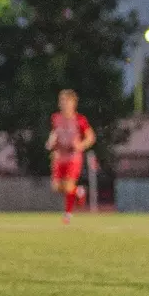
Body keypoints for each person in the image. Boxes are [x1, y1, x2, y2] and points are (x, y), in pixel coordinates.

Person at [46, 89, 96, 223]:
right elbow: (54, 133)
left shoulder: (80, 120)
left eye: (67, 102)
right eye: (62, 102)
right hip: (59, 156)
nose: (64, 105)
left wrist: (81, 145)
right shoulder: (56, 118)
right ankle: (79, 191)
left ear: (74, 103)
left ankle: (67, 214)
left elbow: (91, 137)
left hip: (73, 156)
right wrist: (51, 142)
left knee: (68, 186)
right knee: (56, 187)